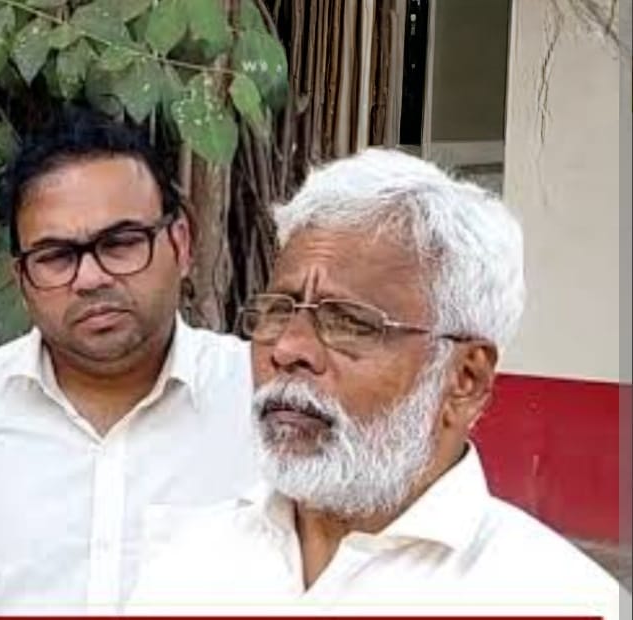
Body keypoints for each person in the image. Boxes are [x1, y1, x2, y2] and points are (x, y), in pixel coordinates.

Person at [127, 148, 628, 615]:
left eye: (347, 321)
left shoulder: (561, 599)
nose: (288, 348)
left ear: (464, 378)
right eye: (278, 310)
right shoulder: (189, 564)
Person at [0, 108, 258, 614]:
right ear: (21, 279)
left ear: (181, 243)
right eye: (55, 256)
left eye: (120, 244)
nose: (90, 278)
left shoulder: (261, 400)